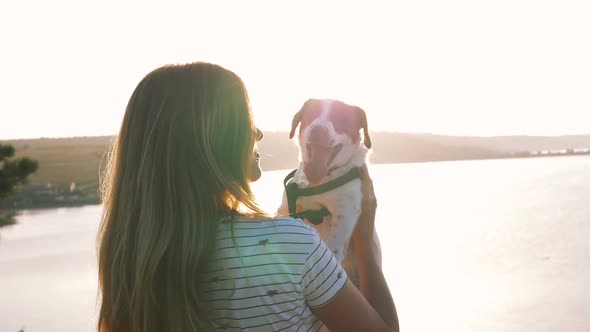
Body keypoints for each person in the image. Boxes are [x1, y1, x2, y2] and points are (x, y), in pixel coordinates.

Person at [97, 62, 399, 332]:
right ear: (213, 139)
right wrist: (364, 242)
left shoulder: (127, 257)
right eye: (244, 118)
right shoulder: (291, 245)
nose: (258, 133)